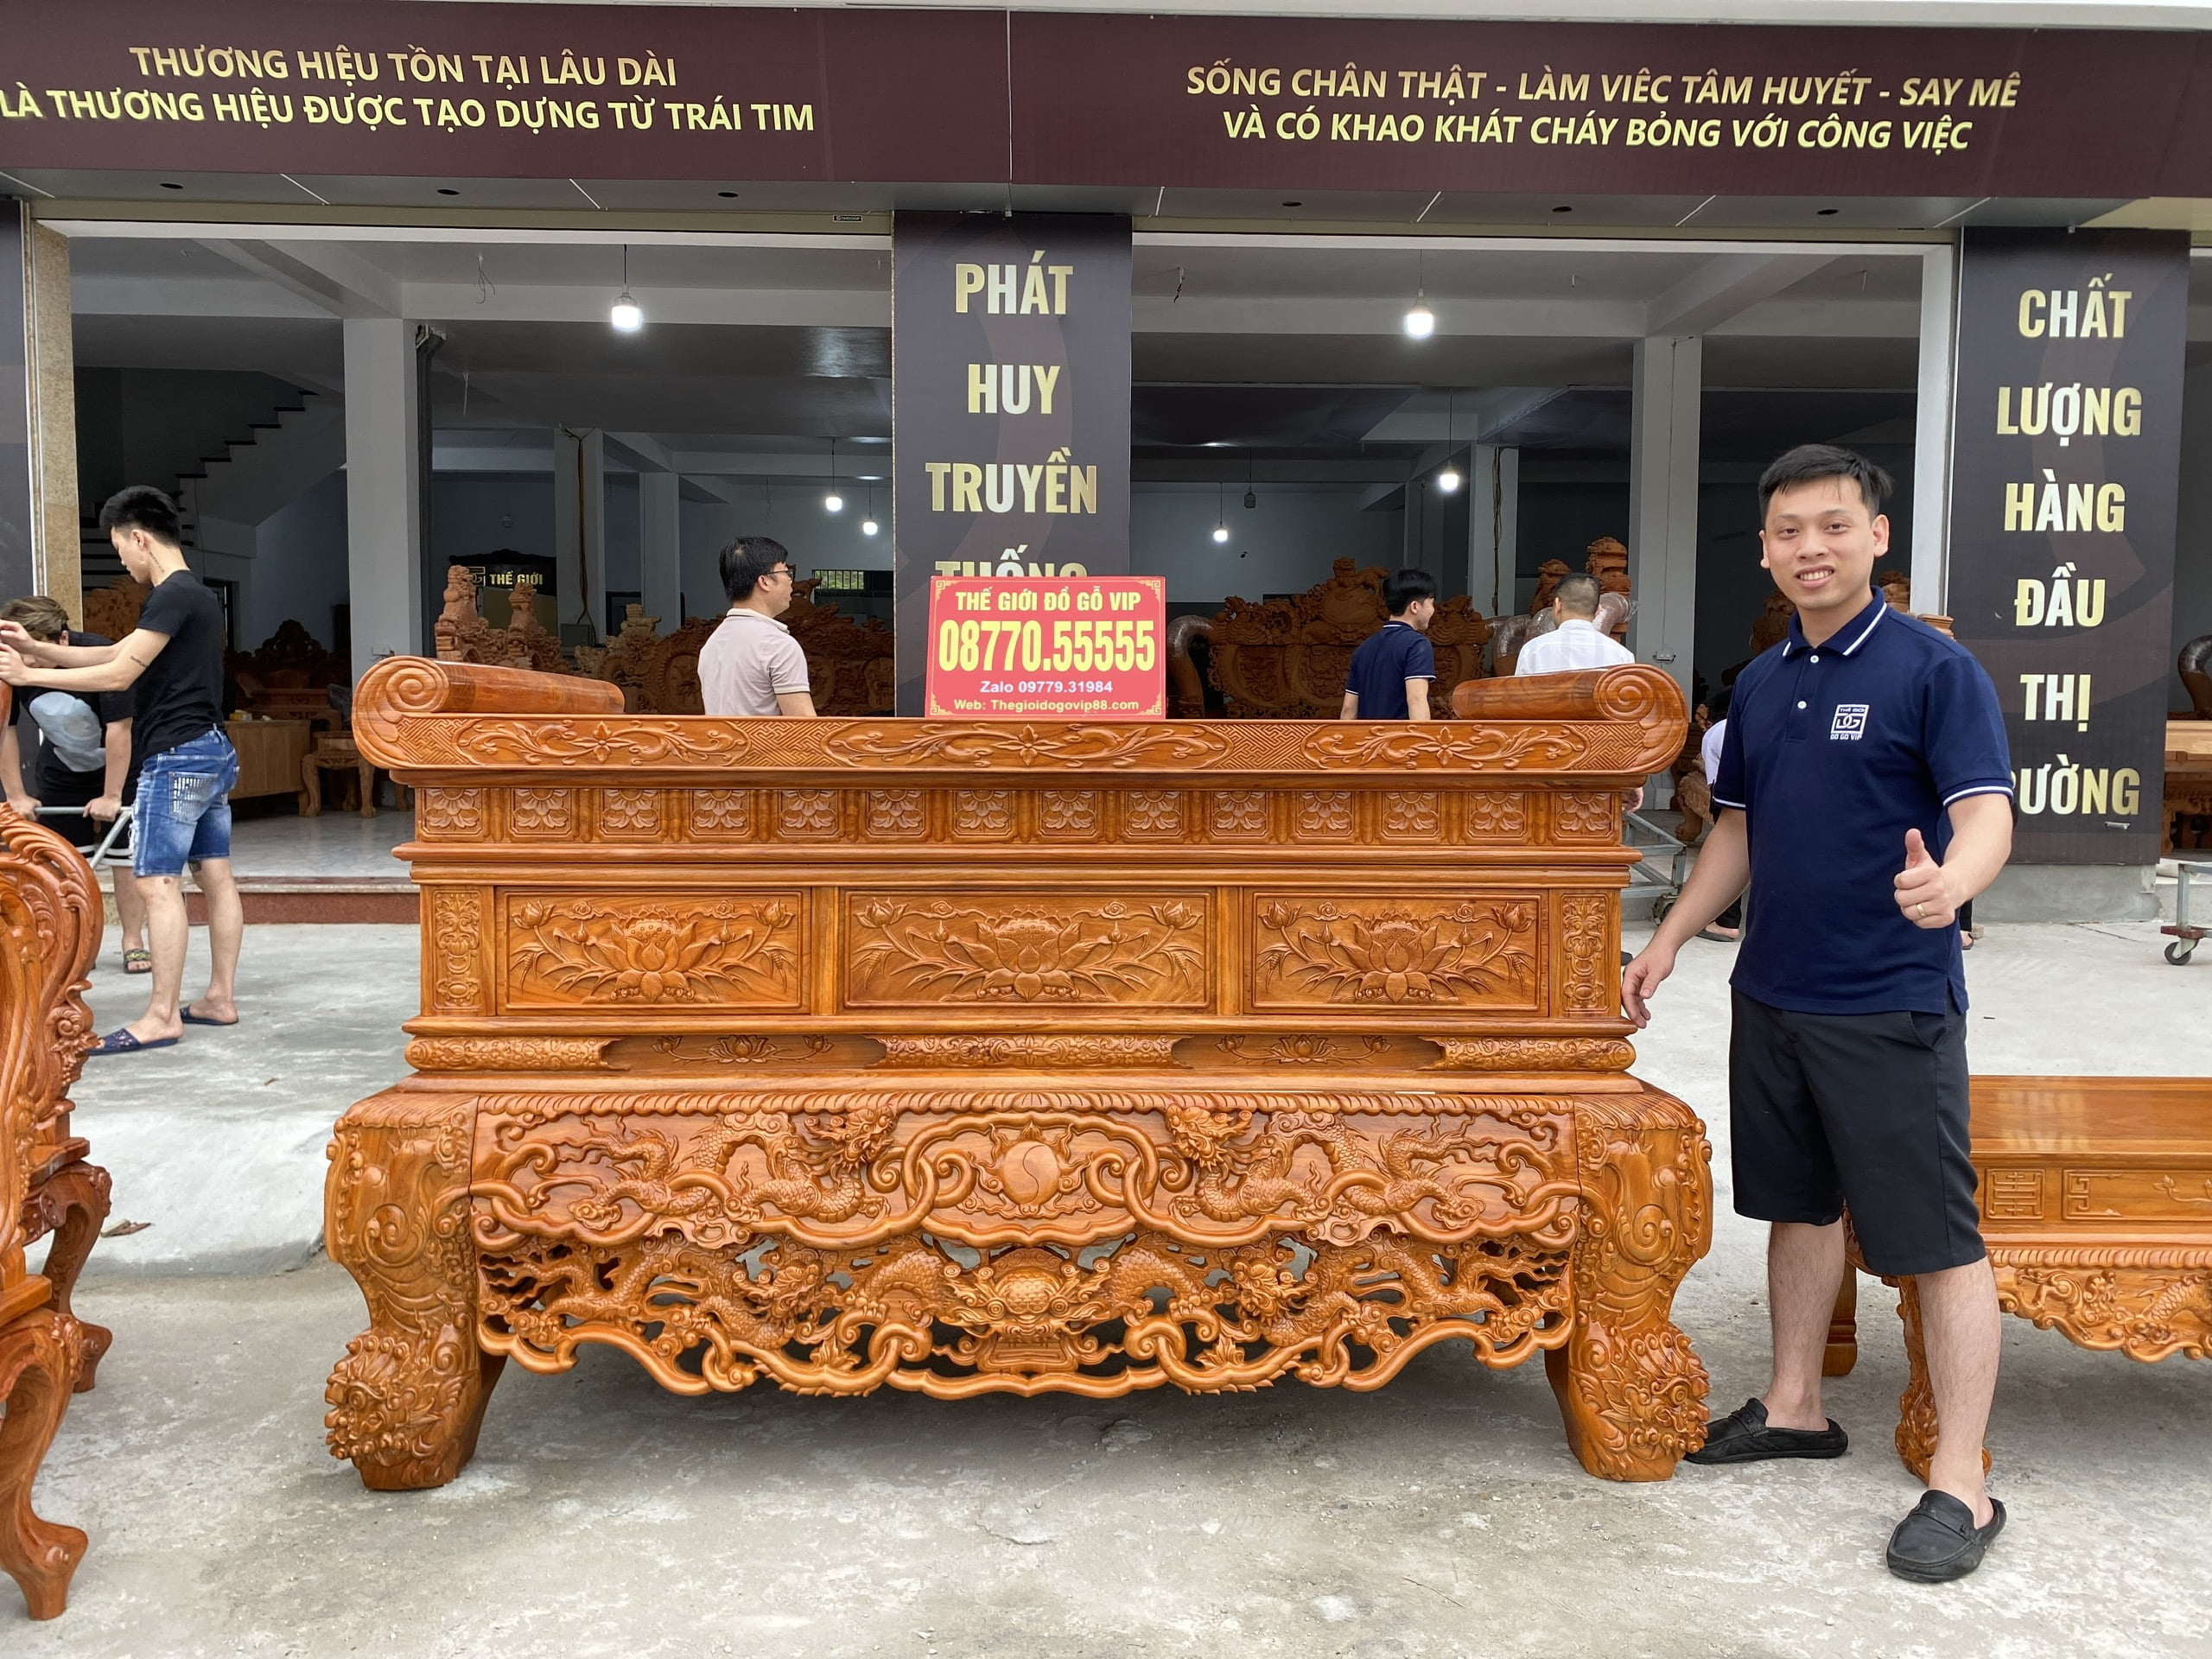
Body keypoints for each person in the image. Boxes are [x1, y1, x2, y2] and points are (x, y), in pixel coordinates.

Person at [1620, 444, 2015, 1583]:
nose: (1812, 548)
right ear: (1764, 549)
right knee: (1796, 1207)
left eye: (1834, 526)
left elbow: (1986, 810)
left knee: (1934, 1240)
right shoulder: (1761, 681)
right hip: (1774, 992)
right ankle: (1795, 1405)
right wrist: (1670, 936)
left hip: (1889, 999)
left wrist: (1953, 884)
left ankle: (1960, 1480)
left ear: (1876, 537)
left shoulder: (1932, 670)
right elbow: (1736, 830)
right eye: (1790, 530)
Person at [0, 486, 244, 1054]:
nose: (124, 563)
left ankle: (162, 1015)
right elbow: (113, 653)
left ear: (139, 538)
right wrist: (41, 651)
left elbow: (117, 675)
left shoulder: (169, 595)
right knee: (215, 875)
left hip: (176, 756)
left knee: (157, 882)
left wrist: (29, 675)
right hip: (211, 750)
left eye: (119, 550)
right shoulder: (194, 594)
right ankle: (219, 998)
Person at [0, 595, 150, 971]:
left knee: (124, 857)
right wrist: (16, 794)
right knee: (66, 863)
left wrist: (111, 795)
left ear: (62, 640)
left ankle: (133, 940)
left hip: (121, 766)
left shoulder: (99, 654)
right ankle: (78, 945)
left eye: (33, 652)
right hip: (62, 769)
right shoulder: (10, 663)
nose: (27, 663)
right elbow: (5, 730)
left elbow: (119, 729)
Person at [699, 537, 817, 717]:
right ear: (764, 581)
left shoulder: (712, 644)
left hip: (720, 737)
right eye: (786, 571)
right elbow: (804, 727)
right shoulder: (778, 646)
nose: (790, 580)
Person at [1339, 569, 1437, 721]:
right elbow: (1416, 700)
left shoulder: (1364, 648)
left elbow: (1348, 710)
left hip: (1368, 736)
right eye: (1431, 603)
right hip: (1399, 736)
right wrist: (1423, 735)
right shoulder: (1417, 644)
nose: (1433, 610)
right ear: (1415, 607)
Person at [1515, 571, 1635, 676]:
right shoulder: (1622, 656)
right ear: (1598, 610)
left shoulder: (1533, 650)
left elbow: (1518, 694)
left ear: (1558, 605)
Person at [1697, 684, 1739, 942]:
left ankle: (1725, 921)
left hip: (1730, 798)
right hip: (1751, 796)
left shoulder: (1718, 731)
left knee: (1729, 858)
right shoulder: (1737, 727)